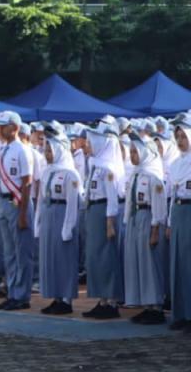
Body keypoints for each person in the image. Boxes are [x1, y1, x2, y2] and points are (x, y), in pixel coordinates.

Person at [81, 122, 125, 319]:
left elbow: (112, 198)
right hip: (93, 210)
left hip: (104, 212)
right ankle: (102, 300)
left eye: (90, 142)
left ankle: (112, 301)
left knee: (106, 257)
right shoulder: (95, 165)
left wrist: (109, 222)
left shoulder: (107, 168)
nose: (87, 145)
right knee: (95, 258)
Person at [0, 111, 34, 311]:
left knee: (21, 252)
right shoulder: (3, 149)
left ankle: (22, 295)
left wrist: (24, 214)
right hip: (3, 202)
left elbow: (27, 183)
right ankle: (12, 291)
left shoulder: (22, 150)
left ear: (14, 127)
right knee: (8, 252)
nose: (0, 129)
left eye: (4, 125)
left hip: (18, 204)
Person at [123, 134, 168, 325]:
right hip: (135, 218)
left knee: (150, 263)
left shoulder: (153, 177)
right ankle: (145, 304)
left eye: (136, 151)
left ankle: (156, 305)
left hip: (148, 218)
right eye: (131, 151)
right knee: (138, 262)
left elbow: (159, 205)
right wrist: (126, 221)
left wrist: (155, 229)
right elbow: (129, 201)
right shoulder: (135, 174)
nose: (132, 155)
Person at [36, 132, 82, 315]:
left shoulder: (71, 174)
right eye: (46, 149)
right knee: (51, 257)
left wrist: (68, 227)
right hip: (49, 213)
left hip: (62, 213)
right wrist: (38, 222)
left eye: (50, 149)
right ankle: (55, 296)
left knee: (64, 257)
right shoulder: (47, 171)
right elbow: (40, 198)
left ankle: (66, 299)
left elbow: (73, 203)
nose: (46, 153)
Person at [168, 118, 191, 330]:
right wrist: (168, 221)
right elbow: (172, 193)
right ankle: (181, 313)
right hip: (177, 211)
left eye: (184, 136)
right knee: (177, 263)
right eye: (177, 137)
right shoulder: (174, 164)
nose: (180, 140)